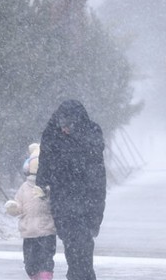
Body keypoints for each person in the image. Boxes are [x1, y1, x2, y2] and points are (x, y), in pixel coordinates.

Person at [35, 99, 107, 280]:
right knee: (74, 245)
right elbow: (45, 161)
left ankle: (79, 276)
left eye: (69, 125)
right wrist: (42, 183)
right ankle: (78, 275)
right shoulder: (53, 134)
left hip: (85, 198)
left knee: (81, 247)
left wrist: (96, 211)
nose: (65, 129)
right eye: (63, 125)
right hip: (64, 197)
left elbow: (97, 174)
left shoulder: (89, 136)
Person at [4, 143, 57, 280]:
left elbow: (56, 205)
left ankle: (45, 277)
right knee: (30, 263)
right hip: (28, 233)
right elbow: (19, 205)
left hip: (47, 232)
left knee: (46, 262)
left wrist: (46, 196)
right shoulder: (24, 188)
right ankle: (35, 276)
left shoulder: (51, 187)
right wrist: (14, 208)